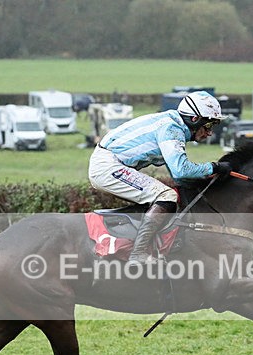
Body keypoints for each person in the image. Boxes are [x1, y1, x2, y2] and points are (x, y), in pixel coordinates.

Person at [88, 91, 232, 263]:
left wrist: (206, 179)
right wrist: (213, 167)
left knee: (169, 194)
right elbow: (181, 170)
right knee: (166, 195)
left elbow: (178, 177)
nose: (209, 133)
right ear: (194, 119)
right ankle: (138, 253)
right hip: (107, 166)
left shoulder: (173, 124)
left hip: (109, 162)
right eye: (208, 126)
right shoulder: (171, 129)